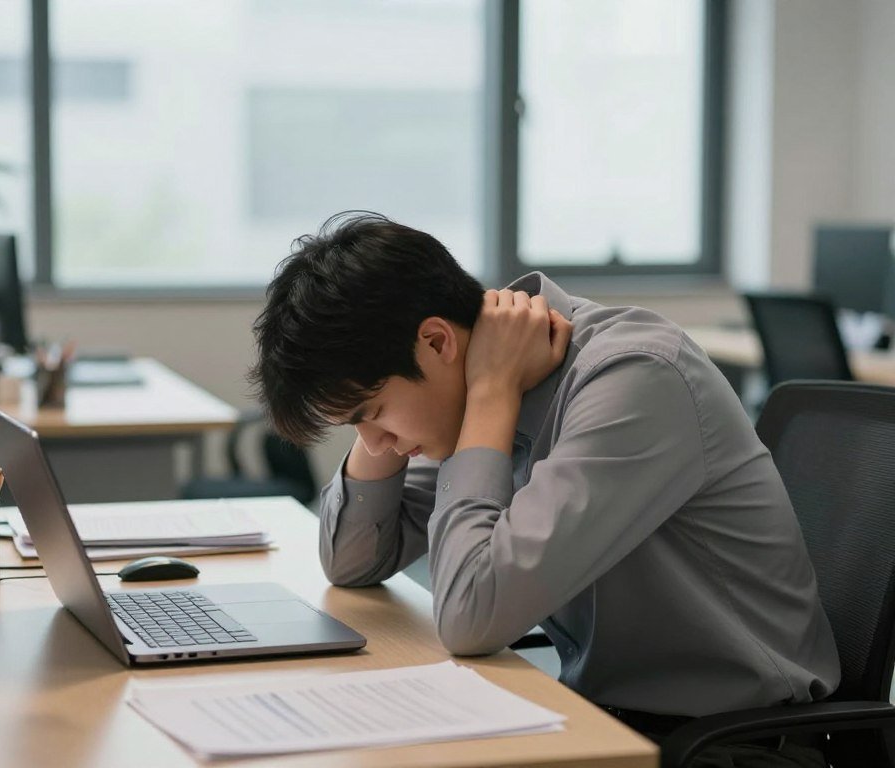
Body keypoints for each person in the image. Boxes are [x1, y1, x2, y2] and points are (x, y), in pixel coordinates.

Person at [249, 212, 839, 765]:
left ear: (436, 342)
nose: (374, 443)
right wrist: (407, 414)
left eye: (371, 411)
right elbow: (352, 561)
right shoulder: (472, 385)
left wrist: (489, 396)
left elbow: (472, 617)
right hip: (610, 719)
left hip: (734, 745)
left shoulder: (633, 377)